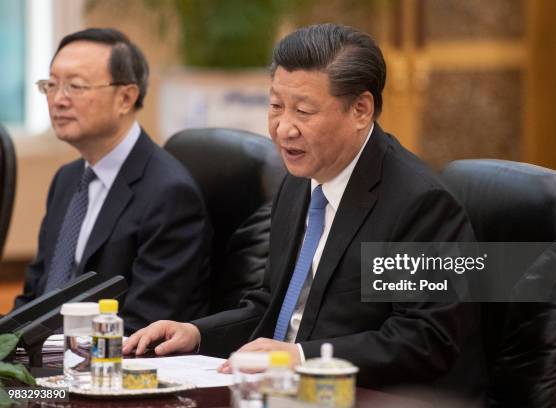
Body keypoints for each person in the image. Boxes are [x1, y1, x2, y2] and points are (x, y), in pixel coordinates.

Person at [124, 23, 484, 396]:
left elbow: (424, 338)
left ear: (361, 109)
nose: (283, 129)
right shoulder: (299, 180)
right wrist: (198, 333)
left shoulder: (417, 203)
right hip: (282, 392)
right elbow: (273, 304)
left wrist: (298, 357)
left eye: (304, 111)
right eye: (276, 106)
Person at [14, 28, 212, 334]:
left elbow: (144, 324)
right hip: (45, 364)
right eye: (51, 85)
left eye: (75, 86)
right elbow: (35, 298)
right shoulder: (67, 180)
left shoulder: (169, 193)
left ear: (125, 98)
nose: (58, 100)